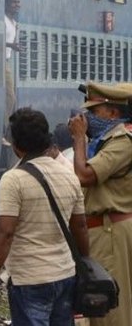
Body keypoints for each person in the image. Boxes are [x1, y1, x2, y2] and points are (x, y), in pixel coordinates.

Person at [0, 108, 88, 325]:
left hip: (30, 279)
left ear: (16, 146)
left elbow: (5, 233)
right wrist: (84, 265)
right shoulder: (69, 176)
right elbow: (80, 227)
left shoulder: (13, 180)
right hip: (65, 275)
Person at [68, 82, 132, 326]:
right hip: (104, 231)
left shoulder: (123, 140)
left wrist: (78, 139)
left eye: (94, 112)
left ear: (113, 113)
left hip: (110, 232)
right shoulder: (107, 139)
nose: (86, 118)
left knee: (108, 312)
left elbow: (85, 175)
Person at [4, 0, 23, 124]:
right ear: (6, 4)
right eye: (13, 2)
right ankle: (3, 128)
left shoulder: (14, 23)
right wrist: (11, 45)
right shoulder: (2, 20)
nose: (16, 5)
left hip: (7, 60)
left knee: (9, 97)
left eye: (18, 2)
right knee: (10, 97)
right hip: (0, 62)